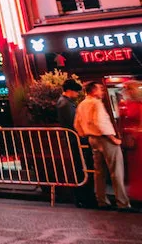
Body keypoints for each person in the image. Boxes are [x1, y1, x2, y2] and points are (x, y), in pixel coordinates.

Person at [74, 82, 133, 211]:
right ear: (94, 91)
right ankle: (122, 203)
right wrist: (113, 138)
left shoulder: (82, 104)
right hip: (105, 138)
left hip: (92, 139)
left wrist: (85, 134)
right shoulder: (96, 103)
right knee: (116, 170)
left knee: (99, 172)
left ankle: (102, 200)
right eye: (100, 89)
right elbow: (100, 122)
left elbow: (77, 124)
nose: (102, 92)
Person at [56, 79, 90, 208]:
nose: (77, 94)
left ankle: (82, 197)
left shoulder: (65, 102)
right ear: (70, 90)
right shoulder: (65, 104)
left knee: (79, 167)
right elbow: (73, 123)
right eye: (76, 91)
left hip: (73, 139)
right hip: (74, 140)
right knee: (80, 167)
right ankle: (82, 197)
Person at [118, 80, 142, 202]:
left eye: (127, 89)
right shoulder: (128, 103)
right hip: (133, 137)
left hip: (137, 137)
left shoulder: (136, 104)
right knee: (135, 166)